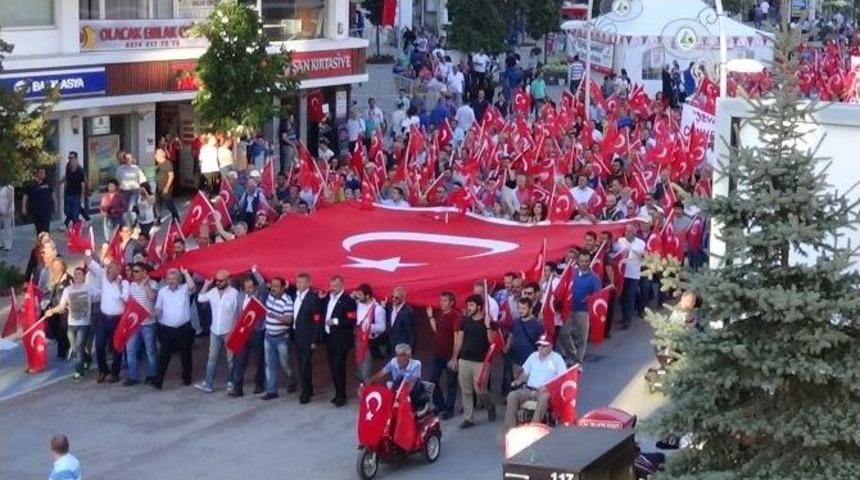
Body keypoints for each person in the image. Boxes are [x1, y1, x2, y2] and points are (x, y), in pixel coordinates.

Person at [451, 294, 498, 428]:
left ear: (479, 306)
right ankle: (469, 418)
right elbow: (459, 340)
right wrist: (455, 358)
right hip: (464, 360)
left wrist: (488, 326)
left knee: (480, 390)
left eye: (471, 305)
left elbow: (492, 341)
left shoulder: (489, 322)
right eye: (468, 305)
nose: (468, 307)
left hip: (481, 362)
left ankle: (490, 406)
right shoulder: (464, 321)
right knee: (466, 391)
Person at [504, 334, 567, 429]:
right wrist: (518, 380)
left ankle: (533, 426)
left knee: (544, 397)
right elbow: (525, 374)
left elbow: (562, 378)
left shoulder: (557, 358)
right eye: (539, 345)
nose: (541, 348)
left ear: (550, 346)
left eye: (544, 345)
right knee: (512, 395)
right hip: (529, 389)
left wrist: (548, 387)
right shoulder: (533, 356)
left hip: (545, 391)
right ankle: (511, 428)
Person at [42, 267, 95, 378]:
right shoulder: (68, 290)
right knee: (75, 347)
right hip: (71, 323)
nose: (76, 276)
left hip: (84, 324)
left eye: (79, 274)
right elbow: (61, 306)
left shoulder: (89, 289)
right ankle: (88, 359)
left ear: (84, 277)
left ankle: (78, 371)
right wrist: (51, 311)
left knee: (79, 347)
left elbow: (98, 299)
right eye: (75, 274)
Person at [86, 248, 129, 383]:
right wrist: (87, 250)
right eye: (110, 269)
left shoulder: (123, 283)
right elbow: (89, 262)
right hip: (103, 318)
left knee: (117, 346)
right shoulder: (102, 277)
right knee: (99, 345)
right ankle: (103, 370)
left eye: (116, 270)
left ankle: (115, 373)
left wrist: (120, 287)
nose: (112, 272)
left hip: (118, 319)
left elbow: (126, 299)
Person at [195, 269, 239, 393]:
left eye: (221, 280)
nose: (218, 283)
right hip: (215, 330)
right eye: (217, 280)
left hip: (228, 330)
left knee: (231, 359)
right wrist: (206, 284)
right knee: (212, 358)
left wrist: (234, 329)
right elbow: (200, 298)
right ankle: (208, 383)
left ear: (228, 280)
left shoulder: (234, 293)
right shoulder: (213, 291)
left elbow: (238, 312)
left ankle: (231, 382)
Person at [152, 268, 197, 389]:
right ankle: (158, 380)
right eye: (169, 279)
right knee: (164, 355)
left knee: (186, 355)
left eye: (174, 279)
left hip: (183, 328)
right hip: (167, 329)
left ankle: (187, 378)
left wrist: (186, 273)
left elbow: (192, 287)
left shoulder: (184, 289)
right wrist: (156, 313)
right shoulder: (162, 292)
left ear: (179, 280)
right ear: (166, 280)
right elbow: (159, 307)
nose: (171, 281)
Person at [230, 270, 267, 398]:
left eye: (251, 287)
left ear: (254, 287)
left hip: (257, 331)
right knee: (239, 360)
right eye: (247, 288)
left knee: (258, 360)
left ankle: (259, 385)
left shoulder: (260, 294)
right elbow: (237, 314)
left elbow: (262, 284)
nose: (249, 290)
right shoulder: (239, 296)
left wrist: (255, 271)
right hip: (242, 331)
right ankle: (237, 388)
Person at [322, 275, 357, 406]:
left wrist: (335, 321)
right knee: (332, 367)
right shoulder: (328, 299)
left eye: (335, 285)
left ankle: (341, 395)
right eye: (331, 285)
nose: (333, 288)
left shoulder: (348, 300)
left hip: (341, 340)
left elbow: (351, 319)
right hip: (329, 338)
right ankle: (337, 393)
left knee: (338, 367)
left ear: (342, 285)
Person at [562, 252, 601, 364]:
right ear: (578, 261)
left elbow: (598, 295)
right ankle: (573, 356)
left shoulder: (594, 278)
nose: (584, 263)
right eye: (582, 261)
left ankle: (578, 361)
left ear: (589, 261)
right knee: (564, 334)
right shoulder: (571, 272)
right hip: (568, 309)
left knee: (582, 338)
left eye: (586, 261)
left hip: (583, 311)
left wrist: (591, 298)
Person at [260, 275, 296, 399]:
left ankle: (291, 380)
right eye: (272, 286)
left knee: (285, 364)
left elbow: (288, 320)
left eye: (276, 286)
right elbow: (260, 282)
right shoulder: (269, 295)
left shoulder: (288, 301)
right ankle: (271, 391)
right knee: (269, 364)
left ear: (282, 288)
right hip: (268, 336)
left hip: (282, 338)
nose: (273, 289)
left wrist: (274, 316)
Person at [426, 291, 460, 419]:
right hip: (438, 354)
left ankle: (449, 409)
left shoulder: (455, 316)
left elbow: (457, 337)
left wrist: (455, 357)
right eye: (441, 300)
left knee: (451, 383)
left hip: (450, 355)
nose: (442, 303)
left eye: (445, 301)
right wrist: (430, 317)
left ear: (451, 302)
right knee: (432, 380)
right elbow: (437, 330)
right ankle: (440, 404)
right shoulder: (441, 315)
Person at [123, 262, 157, 386]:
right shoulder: (131, 285)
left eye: (137, 271)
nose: (134, 274)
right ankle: (133, 376)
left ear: (144, 272)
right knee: (130, 350)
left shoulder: (152, 284)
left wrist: (145, 284)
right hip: (134, 323)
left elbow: (152, 297)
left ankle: (152, 375)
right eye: (133, 271)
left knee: (150, 351)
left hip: (148, 323)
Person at [365, 343, 427, 411]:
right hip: (398, 387)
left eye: (404, 356)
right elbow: (381, 373)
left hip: (411, 388)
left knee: (404, 379)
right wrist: (369, 382)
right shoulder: (393, 362)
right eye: (398, 356)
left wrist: (401, 397)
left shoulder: (416, 364)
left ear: (410, 356)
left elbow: (412, 382)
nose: (401, 358)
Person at [291, 272, 323, 404]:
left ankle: (305, 393)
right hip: (297, 335)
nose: (299, 285)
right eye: (298, 282)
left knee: (305, 364)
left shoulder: (313, 298)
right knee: (301, 364)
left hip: (307, 337)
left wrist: (314, 340)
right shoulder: (296, 296)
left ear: (309, 283)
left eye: (302, 282)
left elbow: (317, 320)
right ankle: (308, 388)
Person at [354, 283, 386, 381]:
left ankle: (367, 392)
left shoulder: (378, 309)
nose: (358, 297)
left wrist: (369, 327)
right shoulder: (360, 303)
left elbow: (382, 327)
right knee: (359, 368)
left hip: (368, 342)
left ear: (367, 296)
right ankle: (362, 387)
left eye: (360, 295)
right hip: (359, 339)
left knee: (365, 371)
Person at [617, 223, 647, 329]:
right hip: (621, 274)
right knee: (622, 297)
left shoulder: (641, 243)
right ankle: (625, 316)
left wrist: (637, 252)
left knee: (630, 297)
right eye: (626, 231)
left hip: (633, 274)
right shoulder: (620, 241)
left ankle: (627, 319)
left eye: (630, 231)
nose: (627, 233)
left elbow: (645, 256)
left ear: (635, 232)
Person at [506, 297, 544, 374]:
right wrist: (507, 346)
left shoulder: (537, 325)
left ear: (530, 309)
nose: (521, 311)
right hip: (516, 362)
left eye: (523, 308)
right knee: (517, 383)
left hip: (531, 363)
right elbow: (511, 336)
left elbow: (541, 343)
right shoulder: (515, 322)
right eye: (519, 308)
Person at [22, 168, 55, 234]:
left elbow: (53, 194)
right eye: (41, 172)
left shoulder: (48, 183)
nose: (43, 174)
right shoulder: (30, 184)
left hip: (47, 210)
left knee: (46, 229)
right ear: (37, 174)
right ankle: (40, 243)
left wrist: (55, 205)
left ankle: (45, 243)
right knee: (39, 230)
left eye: (44, 173)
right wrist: (23, 207)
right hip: (35, 211)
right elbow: (25, 196)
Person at [61, 151, 89, 228]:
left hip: (76, 194)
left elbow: (83, 184)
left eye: (72, 158)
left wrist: (82, 196)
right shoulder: (68, 167)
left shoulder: (80, 170)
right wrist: (61, 182)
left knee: (75, 213)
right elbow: (66, 177)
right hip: (68, 193)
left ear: (76, 159)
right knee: (67, 211)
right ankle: (79, 221)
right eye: (69, 158)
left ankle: (75, 226)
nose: (71, 160)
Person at [154, 148, 180, 223]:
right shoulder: (158, 164)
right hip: (158, 187)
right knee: (157, 204)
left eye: (157, 154)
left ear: (162, 155)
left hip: (165, 188)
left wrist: (167, 187)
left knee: (169, 204)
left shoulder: (167, 163)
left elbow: (171, 176)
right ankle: (158, 219)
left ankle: (176, 218)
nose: (155, 156)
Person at [386, 286, 415, 352]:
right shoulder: (390, 308)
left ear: (403, 298)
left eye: (397, 298)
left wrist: (409, 350)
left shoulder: (407, 312)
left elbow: (411, 333)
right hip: (390, 347)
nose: (393, 299)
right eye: (392, 296)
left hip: (402, 349)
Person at [0, 181, 13, 252]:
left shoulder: (9, 187)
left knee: (7, 228)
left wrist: (6, 210)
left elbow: (10, 200)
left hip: (6, 211)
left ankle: (7, 245)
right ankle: (0, 243)